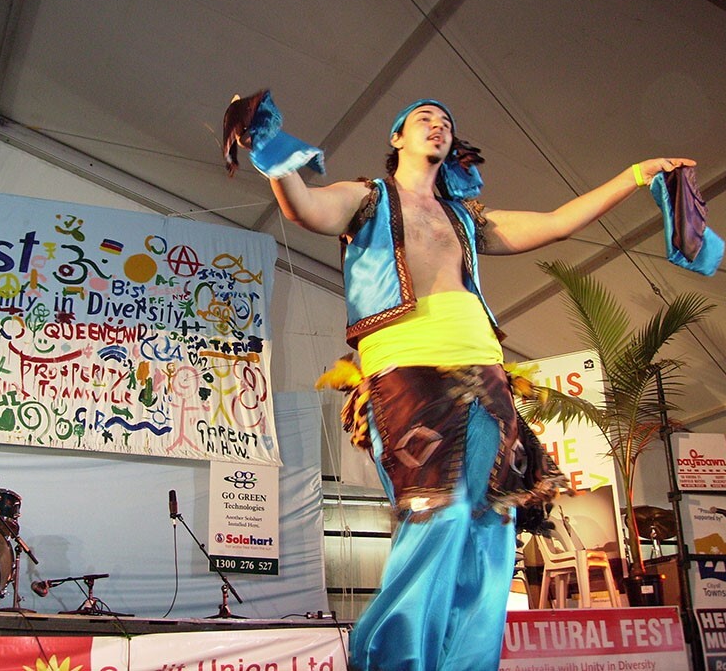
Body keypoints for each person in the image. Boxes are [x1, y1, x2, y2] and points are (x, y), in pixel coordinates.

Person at [223, 91, 694, 671]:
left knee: (492, 524)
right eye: (423, 119)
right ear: (397, 138)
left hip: (485, 372)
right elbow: (305, 209)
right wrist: (265, 146)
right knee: (436, 510)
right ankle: (391, 661)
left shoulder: (467, 218)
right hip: (406, 369)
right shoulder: (368, 197)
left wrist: (634, 176)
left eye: (446, 122)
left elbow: (554, 224)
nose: (437, 126)